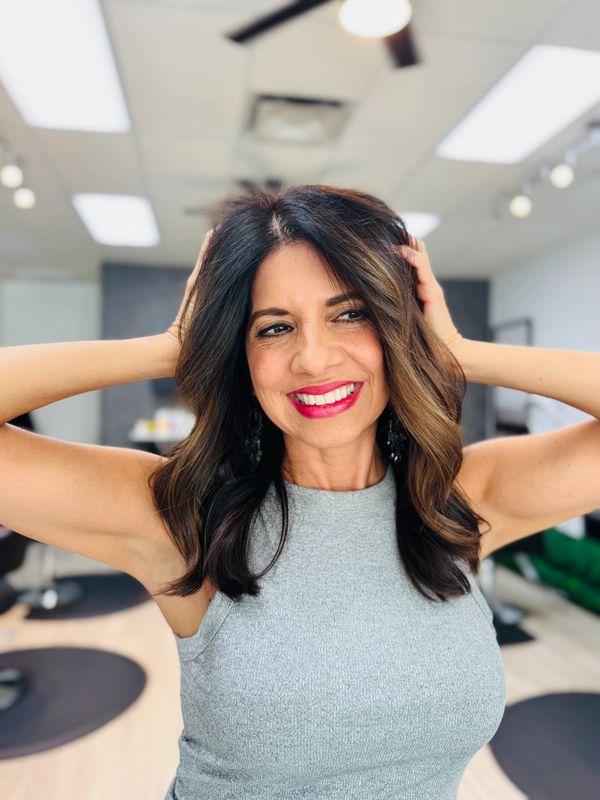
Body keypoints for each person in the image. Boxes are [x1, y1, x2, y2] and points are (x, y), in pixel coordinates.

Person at [2, 184, 600, 799]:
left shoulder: (458, 503)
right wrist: (170, 349)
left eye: (350, 314)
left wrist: (459, 353)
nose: (313, 359)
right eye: (275, 328)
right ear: (242, 352)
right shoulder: (184, 516)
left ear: (398, 327)